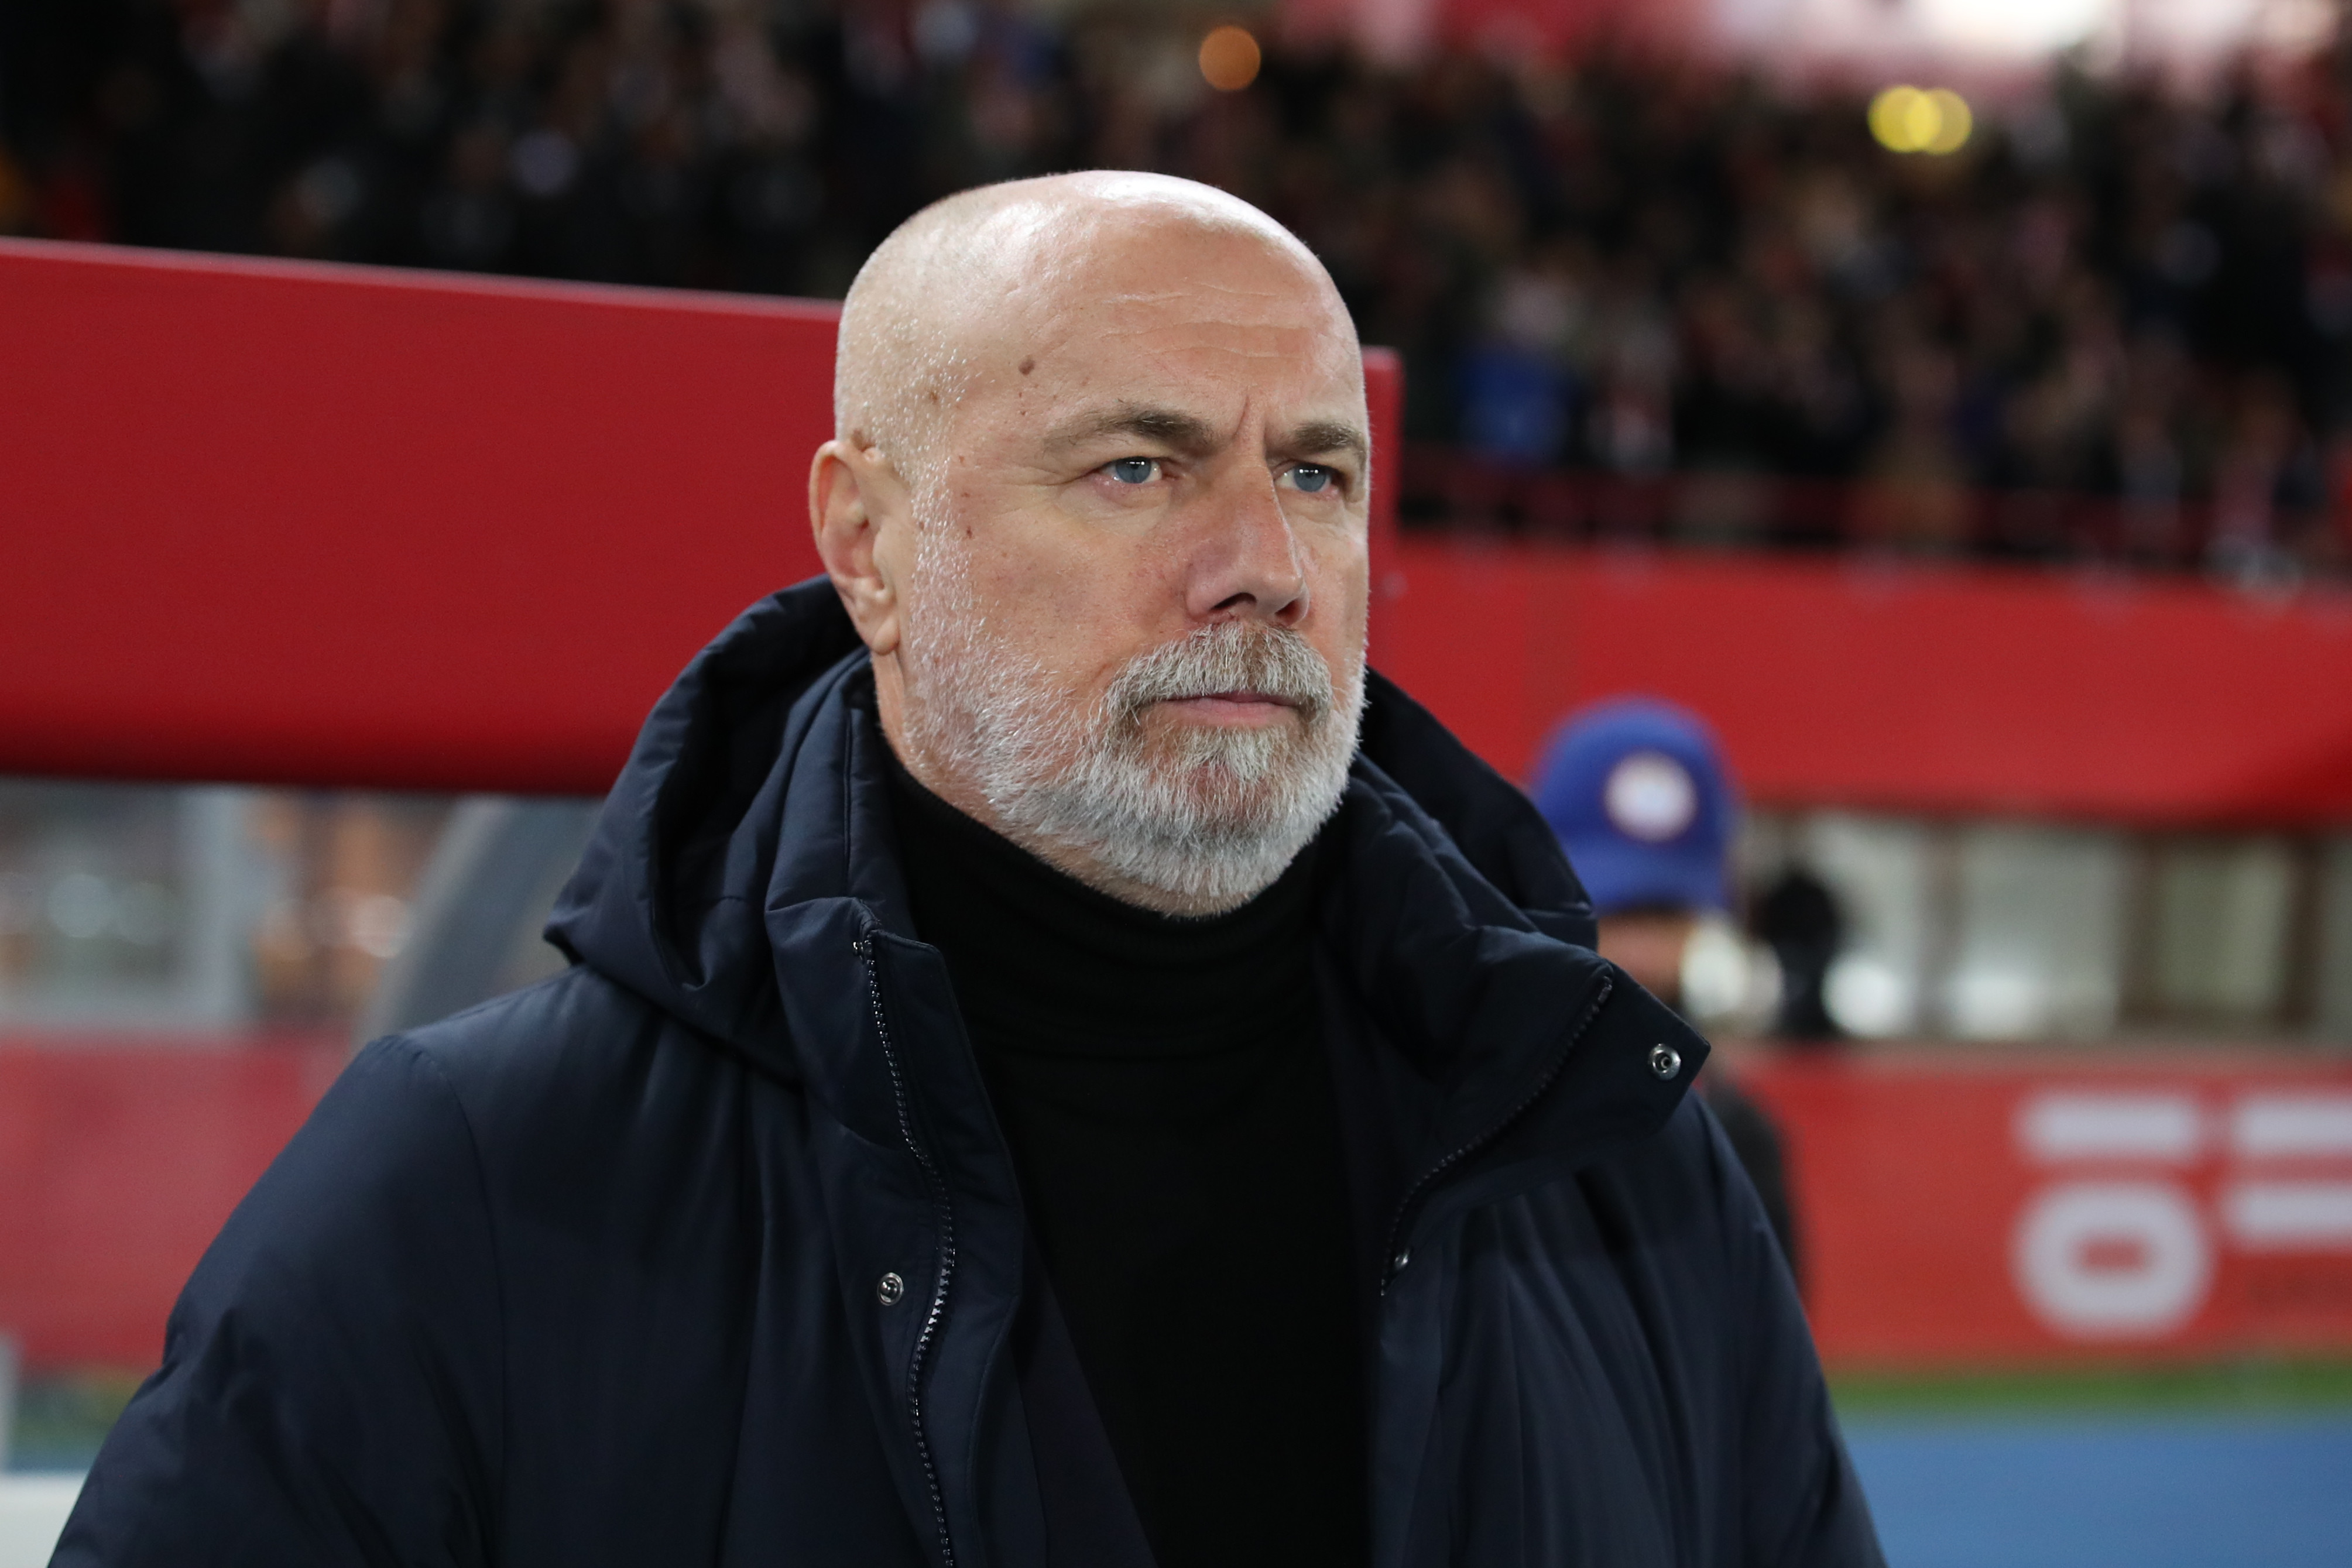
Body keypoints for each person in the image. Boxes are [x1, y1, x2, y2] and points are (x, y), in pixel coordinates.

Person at [56, 173, 1878, 1567]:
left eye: (1317, 473)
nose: (1262, 559)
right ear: (868, 543)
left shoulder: (1624, 1166)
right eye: (1137, 466)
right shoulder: (464, 1188)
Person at [1529, 696, 1805, 1284]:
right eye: (1612, 911)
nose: (1641, 955)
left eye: (1665, 916)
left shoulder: (1732, 1127)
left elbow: (1772, 1350)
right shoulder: (1470, 1108)